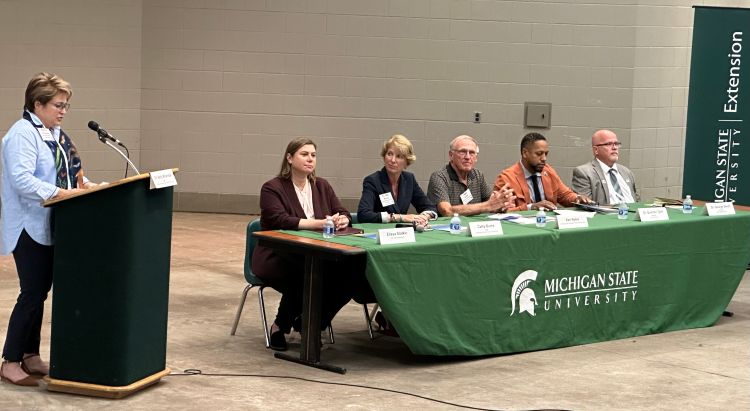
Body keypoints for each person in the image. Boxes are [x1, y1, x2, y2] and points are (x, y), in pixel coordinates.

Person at [1, 73, 100, 386]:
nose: (63, 111)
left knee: (40, 292)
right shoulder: (22, 134)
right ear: (38, 103)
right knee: (31, 292)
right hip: (27, 224)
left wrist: (87, 186)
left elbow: (68, 173)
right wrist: (65, 194)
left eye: (66, 106)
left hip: (51, 223)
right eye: (58, 105)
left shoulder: (55, 134)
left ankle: (30, 355)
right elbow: (22, 180)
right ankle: (10, 361)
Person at [252, 137, 359, 351]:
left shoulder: (322, 186)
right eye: (304, 154)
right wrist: (320, 223)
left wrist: (343, 219)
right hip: (277, 253)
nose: (310, 159)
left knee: (352, 273)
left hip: (317, 252)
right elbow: (280, 220)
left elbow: (343, 211)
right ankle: (279, 327)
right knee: (307, 275)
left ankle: (311, 323)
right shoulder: (272, 188)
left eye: (313, 155)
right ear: (289, 158)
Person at [495, 132, 591, 211]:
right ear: (525, 153)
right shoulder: (506, 178)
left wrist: (577, 198)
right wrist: (531, 207)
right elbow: (501, 210)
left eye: (546, 154)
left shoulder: (549, 172)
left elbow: (565, 195)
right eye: (539, 154)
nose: (544, 158)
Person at [357, 134, 437, 227]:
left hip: (400, 233)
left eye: (399, 156)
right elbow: (363, 214)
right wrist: (399, 217)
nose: (393, 160)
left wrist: (423, 217)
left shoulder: (409, 179)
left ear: (406, 162)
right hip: (378, 233)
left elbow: (430, 207)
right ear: (384, 156)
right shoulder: (373, 181)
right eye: (389, 154)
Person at [427, 135, 515, 216]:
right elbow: (447, 211)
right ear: (451, 155)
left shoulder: (478, 175)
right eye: (462, 152)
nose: (468, 157)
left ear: (476, 158)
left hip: (474, 228)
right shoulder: (439, 177)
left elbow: (490, 204)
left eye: (472, 153)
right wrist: (488, 205)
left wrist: (501, 204)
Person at [572, 129, 639, 205]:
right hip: (606, 215)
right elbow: (585, 205)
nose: (614, 147)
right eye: (609, 144)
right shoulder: (584, 173)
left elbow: (637, 200)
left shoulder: (626, 172)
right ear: (596, 150)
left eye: (616, 144)